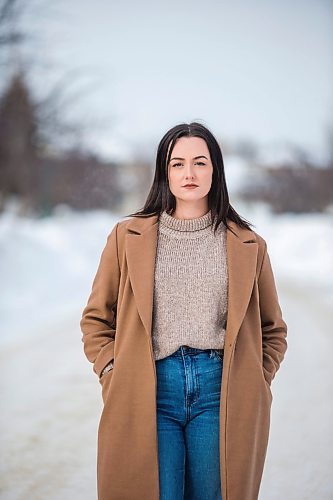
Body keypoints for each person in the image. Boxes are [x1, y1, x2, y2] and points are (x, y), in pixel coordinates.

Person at [80, 122, 288, 500]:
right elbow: (96, 318)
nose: (189, 173)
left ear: (216, 170)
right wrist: (112, 371)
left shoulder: (248, 244)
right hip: (148, 387)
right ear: (164, 171)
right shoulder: (127, 238)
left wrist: (258, 377)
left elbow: (273, 328)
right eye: (177, 164)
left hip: (219, 390)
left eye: (199, 162)